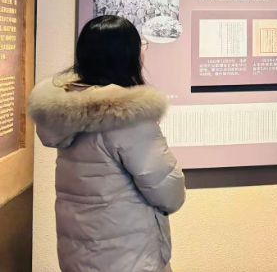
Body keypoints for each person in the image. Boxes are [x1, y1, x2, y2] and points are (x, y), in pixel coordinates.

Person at [28, 16, 185, 272]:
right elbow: (170, 194)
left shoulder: (66, 111)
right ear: (127, 55)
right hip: (129, 257)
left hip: (78, 254)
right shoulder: (127, 117)